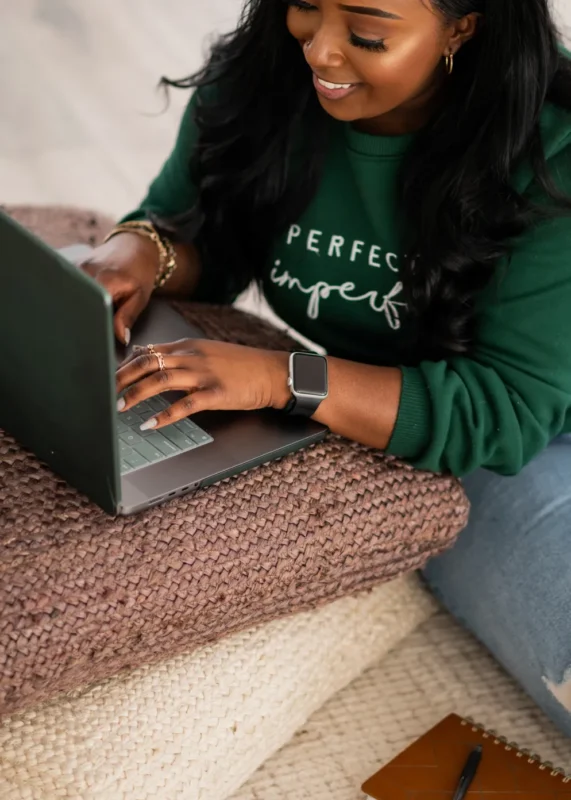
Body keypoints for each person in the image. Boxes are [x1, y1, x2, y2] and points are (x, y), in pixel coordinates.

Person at [82, 0, 571, 734]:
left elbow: (502, 411)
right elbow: (199, 232)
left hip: (519, 428)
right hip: (440, 428)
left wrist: (285, 378)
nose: (321, 52)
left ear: (463, 26)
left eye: (366, 32)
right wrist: (143, 249)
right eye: (304, 6)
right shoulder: (260, 81)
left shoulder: (552, 151)